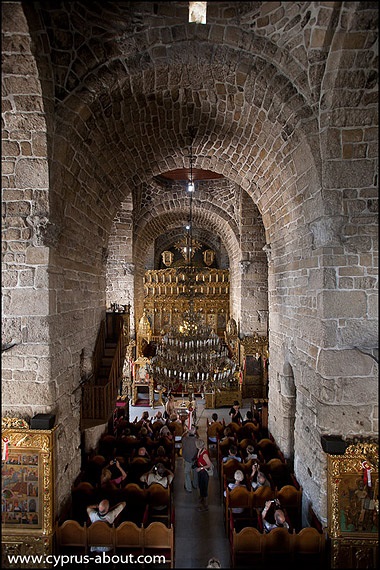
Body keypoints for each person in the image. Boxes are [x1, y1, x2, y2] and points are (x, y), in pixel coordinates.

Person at [195, 438, 213, 512]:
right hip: (200, 472)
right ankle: (201, 497)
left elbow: (209, 464)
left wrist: (201, 468)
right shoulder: (200, 450)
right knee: (201, 486)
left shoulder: (204, 454)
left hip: (204, 473)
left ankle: (205, 506)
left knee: (204, 487)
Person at [182, 425, 198, 493]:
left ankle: (188, 488)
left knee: (187, 473)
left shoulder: (185, 439)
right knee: (195, 472)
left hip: (187, 458)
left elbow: (182, 437)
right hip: (195, 458)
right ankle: (195, 484)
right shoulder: (197, 440)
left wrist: (186, 431)